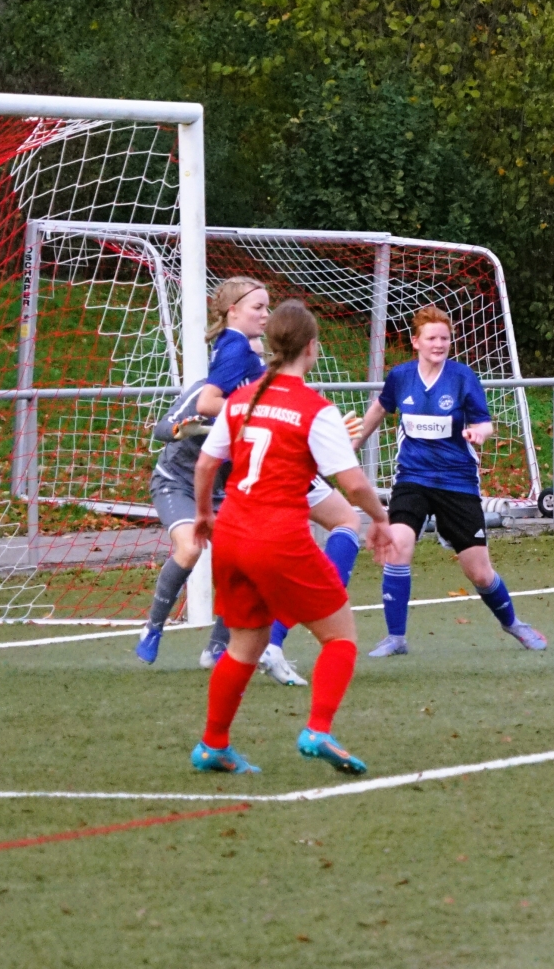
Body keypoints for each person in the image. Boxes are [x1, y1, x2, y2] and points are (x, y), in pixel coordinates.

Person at [188, 300, 394, 775]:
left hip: (232, 533)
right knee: (340, 637)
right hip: (277, 536)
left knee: (245, 645)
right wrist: (381, 518)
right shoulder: (314, 408)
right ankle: (318, 729)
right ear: (311, 348)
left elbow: (205, 464)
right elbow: (354, 484)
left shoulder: (241, 399)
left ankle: (213, 745)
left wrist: (202, 515)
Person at [135, 277, 365, 687]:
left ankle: (220, 647)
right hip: (180, 481)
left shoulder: (265, 385)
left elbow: (283, 430)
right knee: (191, 548)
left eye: (267, 313)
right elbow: (167, 426)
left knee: (250, 559)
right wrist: (186, 429)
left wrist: (326, 439)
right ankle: (153, 627)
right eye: (257, 308)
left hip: (237, 484)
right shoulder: (224, 374)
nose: (263, 318)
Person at [350, 306, 547, 657]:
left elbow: (485, 422)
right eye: (431, 338)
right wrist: (351, 445)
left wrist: (479, 433)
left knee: (480, 573)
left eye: (444, 338)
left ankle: (513, 623)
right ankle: (396, 638)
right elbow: (379, 409)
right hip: (412, 478)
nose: (439, 344)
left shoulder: (461, 377)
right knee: (398, 546)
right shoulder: (401, 377)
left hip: (457, 482)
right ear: (416, 342)